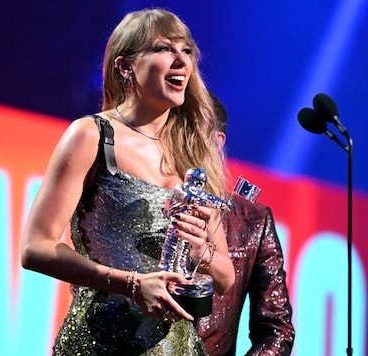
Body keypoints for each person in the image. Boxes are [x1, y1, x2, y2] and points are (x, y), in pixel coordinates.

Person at [20, 8, 235, 355]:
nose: (181, 60)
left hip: (176, 348)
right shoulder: (91, 135)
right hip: (101, 342)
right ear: (125, 66)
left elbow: (225, 277)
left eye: (186, 51)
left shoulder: (194, 151)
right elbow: (36, 248)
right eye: (165, 49)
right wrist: (133, 285)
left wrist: (203, 252)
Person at [197, 93, 295, 355]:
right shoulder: (141, 201)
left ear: (217, 141)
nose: (178, 140)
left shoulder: (251, 221)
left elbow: (277, 330)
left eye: (190, 129)